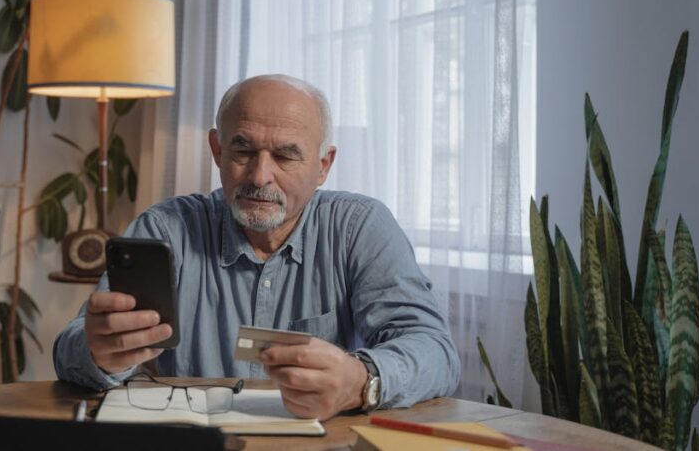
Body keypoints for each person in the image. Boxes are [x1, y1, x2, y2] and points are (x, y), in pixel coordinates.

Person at [53, 74, 460, 420]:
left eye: (285, 156)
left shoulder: (358, 227)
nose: (260, 176)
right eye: (243, 150)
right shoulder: (166, 229)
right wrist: (99, 352)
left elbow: (435, 351)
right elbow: (71, 347)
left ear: (323, 166)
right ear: (217, 149)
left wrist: (361, 380)